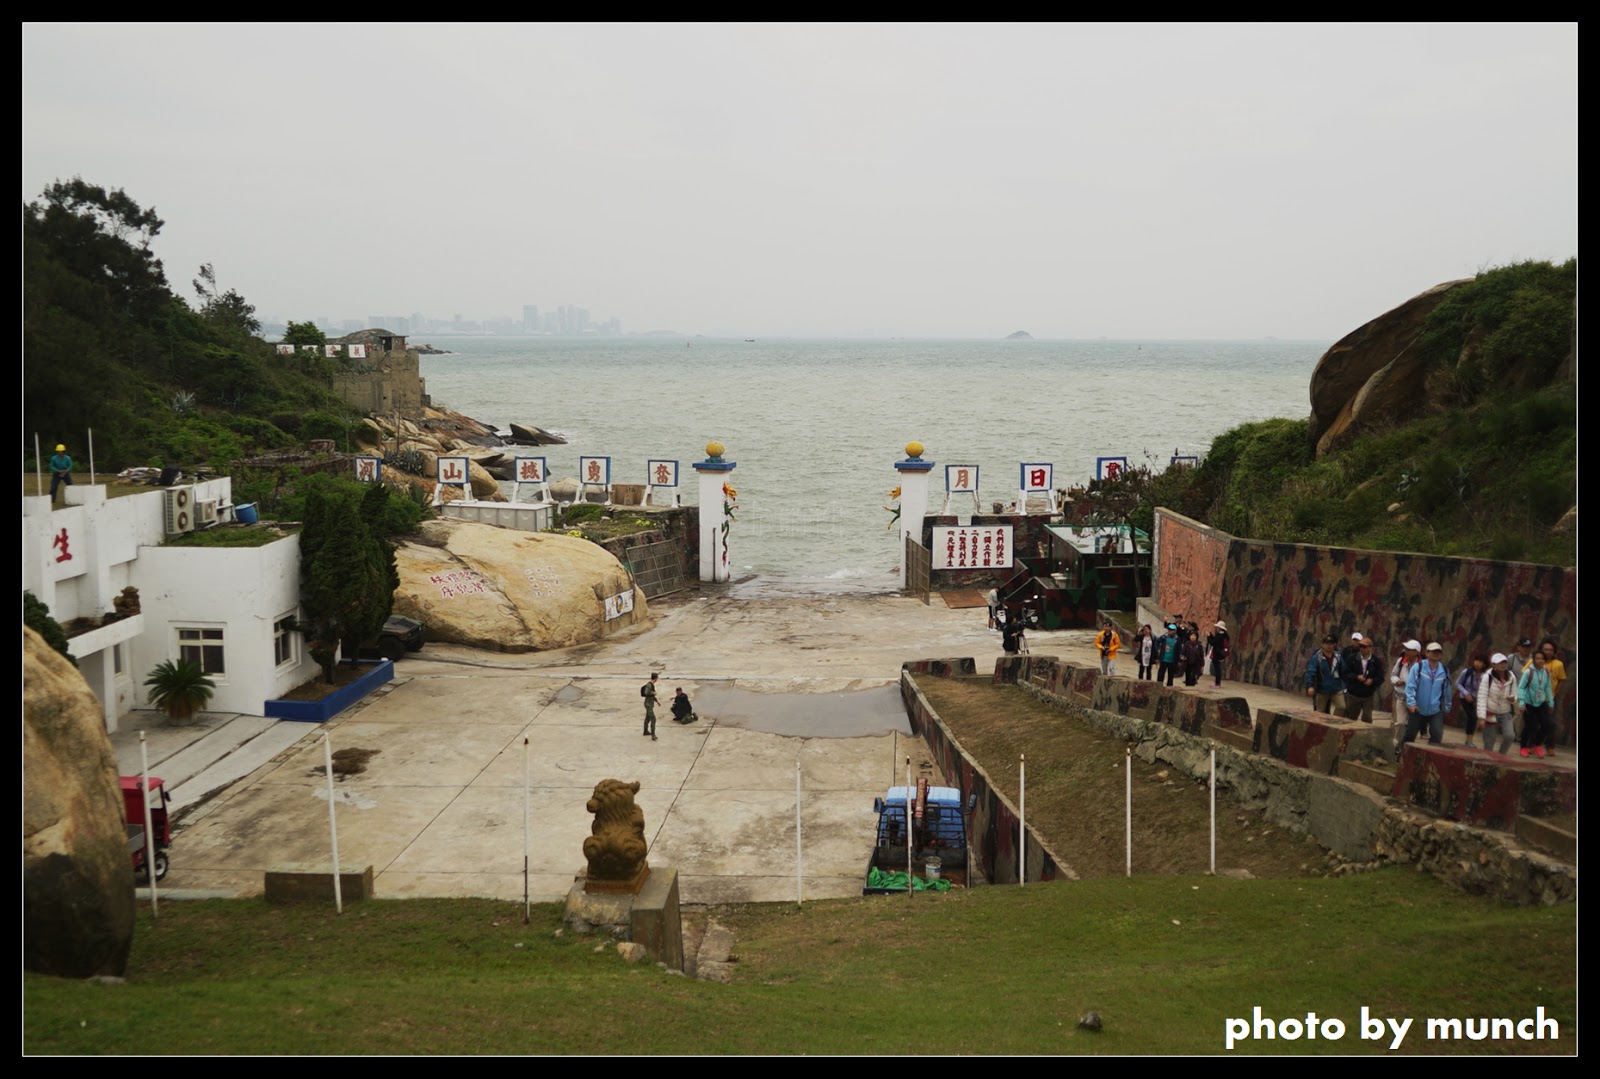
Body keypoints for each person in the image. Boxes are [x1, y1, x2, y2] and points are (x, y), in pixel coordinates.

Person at [1403, 642, 1453, 749]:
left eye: (1438, 652)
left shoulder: (1444, 670)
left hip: (1436, 709)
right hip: (1417, 708)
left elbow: (1447, 690)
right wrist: (1411, 703)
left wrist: (1447, 706)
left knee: (1437, 735)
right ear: (1426, 653)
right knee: (1410, 734)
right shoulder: (1418, 667)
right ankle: (1400, 752)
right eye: (1433, 651)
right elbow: (1410, 686)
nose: (1436, 654)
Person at [1516, 650, 1554, 759]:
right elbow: (1521, 687)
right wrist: (1522, 702)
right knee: (1530, 726)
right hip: (1529, 703)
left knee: (1547, 725)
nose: (1540, 661)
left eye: (1542, 658)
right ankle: (1524, 747)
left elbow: (1548, 688)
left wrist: (1551, 702)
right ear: (1533, 660)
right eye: (1537, 658)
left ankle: (1537, 745)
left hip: (1541, 702)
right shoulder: (1529, 672)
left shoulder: (1546, 672)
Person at [1478, 654, 1518, 755]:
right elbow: (1482, 696)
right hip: (1490, 712)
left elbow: (1515, 694)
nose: (1502, 665)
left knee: (1510, 736)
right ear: (1494, 665)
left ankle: (1501, 755)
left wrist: (1513, 699)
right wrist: (1482, 717)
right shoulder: (1487, 677)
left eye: (1504, 662)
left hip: (1505, 712)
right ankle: (1487, 759)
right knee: (1489, 740)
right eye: (1499, 663)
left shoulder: (1511, 677)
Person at [1341, 633, 1383, 723]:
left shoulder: (1376, 661)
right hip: (1353, 694)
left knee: (1367, 718)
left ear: (1370, 648)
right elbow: (1345, 673)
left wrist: (1372, 681)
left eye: (1364, 647)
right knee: (1350, 718)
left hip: (1368, 695)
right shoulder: (1352, 658)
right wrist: (1356, 677)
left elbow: (1380, 677)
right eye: (1360, 646)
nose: (1362, 649)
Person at [1389, 640, 1421, 753]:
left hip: (1415, 699)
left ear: (1416, 652)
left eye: (1409, 650)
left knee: (1412, 726)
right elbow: (1393, 675)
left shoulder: (1421, 666)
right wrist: (1397, 681)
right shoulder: (1401, 661)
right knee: (1400, 722)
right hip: (1401, 696)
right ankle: (1396, 746)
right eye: (1406, 649)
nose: (1406, 651)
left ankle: (1407, 747)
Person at [1539, 639, 1567, 756]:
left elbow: (1561, 680)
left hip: (1550, 698)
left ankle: (1550, 746)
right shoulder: (1535, 661)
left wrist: (1555, 693)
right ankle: (1531, 745)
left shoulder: (1558, 664)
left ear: (1554, 651)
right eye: (1546, 649)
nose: (1548, 652)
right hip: (1534, 697)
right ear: (1541, 650)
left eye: (1551, 650)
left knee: (1550, 723)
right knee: (1534, 723)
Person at [1454, 654, 1488, 749]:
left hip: (1477, 699)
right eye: (1476, 660)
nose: (1477, 663)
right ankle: (1469, 741)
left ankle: (1469, 740)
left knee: (1473, 718)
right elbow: (1458, 683)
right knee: (1472, 717)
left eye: (1480, 662)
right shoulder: (1467, 672)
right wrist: (1466, 693)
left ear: (1484, 664)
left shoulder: (1485, 676)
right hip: (1465, 697)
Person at [1305, 634, 1344, 713]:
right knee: (1320, 711)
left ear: (1334, 645)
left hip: (1336, 688)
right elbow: (1310, 672)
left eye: (1331, 644)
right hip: (1322, 689)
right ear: (1323, 645)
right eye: (1327, 643)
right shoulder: (1317, 658)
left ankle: (1334, 721)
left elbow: (1344, 670)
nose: (1329, 646)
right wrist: (1310, 686)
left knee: (1341, 707)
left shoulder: (1338, 657)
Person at [1205, 621, 1230, 688]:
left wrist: (1208, 636)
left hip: (1217, 654)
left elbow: (1212, 642)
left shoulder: (1220, 636)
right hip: (1220, 654)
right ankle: (1217, 683)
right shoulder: (1225, 635)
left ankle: (1217, 683)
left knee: (1217, 669)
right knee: (1217, 668)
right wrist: (1211, 635)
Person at [640, 672, 659, 741]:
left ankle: (645, 731)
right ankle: (653, 735)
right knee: (653, 719)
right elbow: (646, 692)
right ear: (655, 678)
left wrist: (656, 701)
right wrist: (654, 693)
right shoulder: (649, 685)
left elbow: (651, 696)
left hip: (649, 703)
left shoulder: (651, 685)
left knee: (648, 718)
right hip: (648, 704)